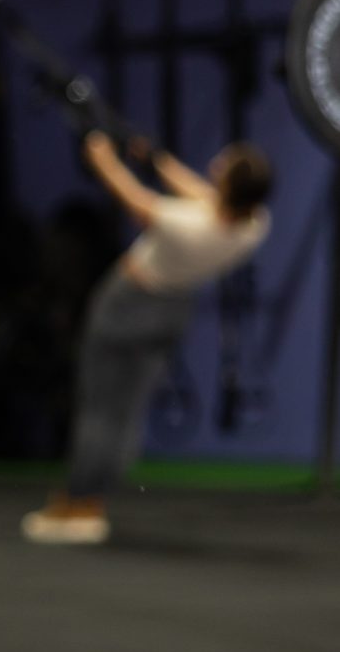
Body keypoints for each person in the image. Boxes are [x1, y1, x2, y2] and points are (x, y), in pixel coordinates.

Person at [22, 131, 272, 545]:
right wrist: (158, 160)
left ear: (229, 187)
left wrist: (103, 160)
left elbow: (135, 201)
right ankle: (94, 499)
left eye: (222, 170)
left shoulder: (186, 224)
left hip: (127, 306)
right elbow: (202, 195)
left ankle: (80, 505)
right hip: (172, 313)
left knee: (98, 408)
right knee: (125, 410)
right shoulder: (254, 224)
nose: (213, 169)